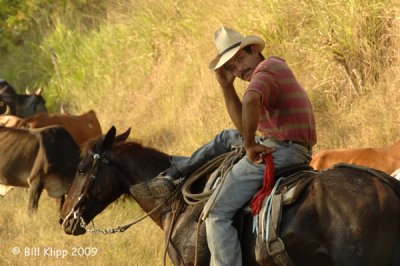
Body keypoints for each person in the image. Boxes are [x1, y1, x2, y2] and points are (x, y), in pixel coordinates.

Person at [131, 26, 316, 265]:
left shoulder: (268, 68)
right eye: (231, 67)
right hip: (282, 143)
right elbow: (242, 128)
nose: (239, 69)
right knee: (226, 137)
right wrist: (226, 87)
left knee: (216, 213)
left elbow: (250, 99)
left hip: (283, 149)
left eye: (240, 59)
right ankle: (174, 174)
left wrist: (250, 145)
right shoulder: (271, 70)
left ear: (254, 51)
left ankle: (173, 176)